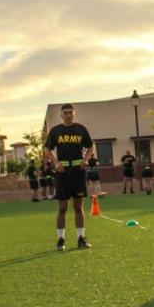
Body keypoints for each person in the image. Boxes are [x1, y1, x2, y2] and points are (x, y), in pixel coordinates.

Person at [44, 103, 94, 251]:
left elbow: (91, 146)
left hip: (78, 171)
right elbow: (47, 148)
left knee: (78, 207)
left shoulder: (80, 129)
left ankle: (81, 238)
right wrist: (56, 162)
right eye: (65, 113)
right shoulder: (56, 131)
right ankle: (60, 239)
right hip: (62, 172)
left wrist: (85, 160)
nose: (68, 115)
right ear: (61, 115)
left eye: (70, 112)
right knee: (62, 208)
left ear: (74, 114)